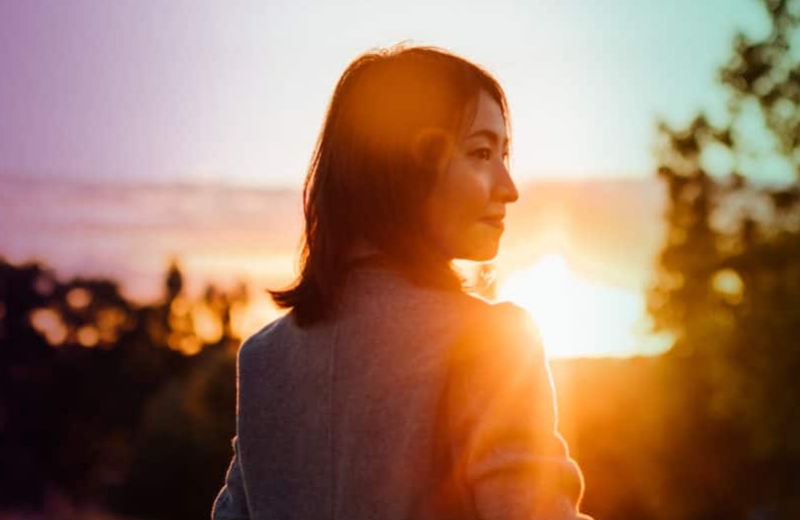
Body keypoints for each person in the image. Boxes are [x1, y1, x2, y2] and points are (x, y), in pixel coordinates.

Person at [212, 45, 592, 520]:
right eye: (480, 152)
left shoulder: (264, 360)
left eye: (504, 154)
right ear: (402, 166)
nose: (509, 187)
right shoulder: (491, 343)